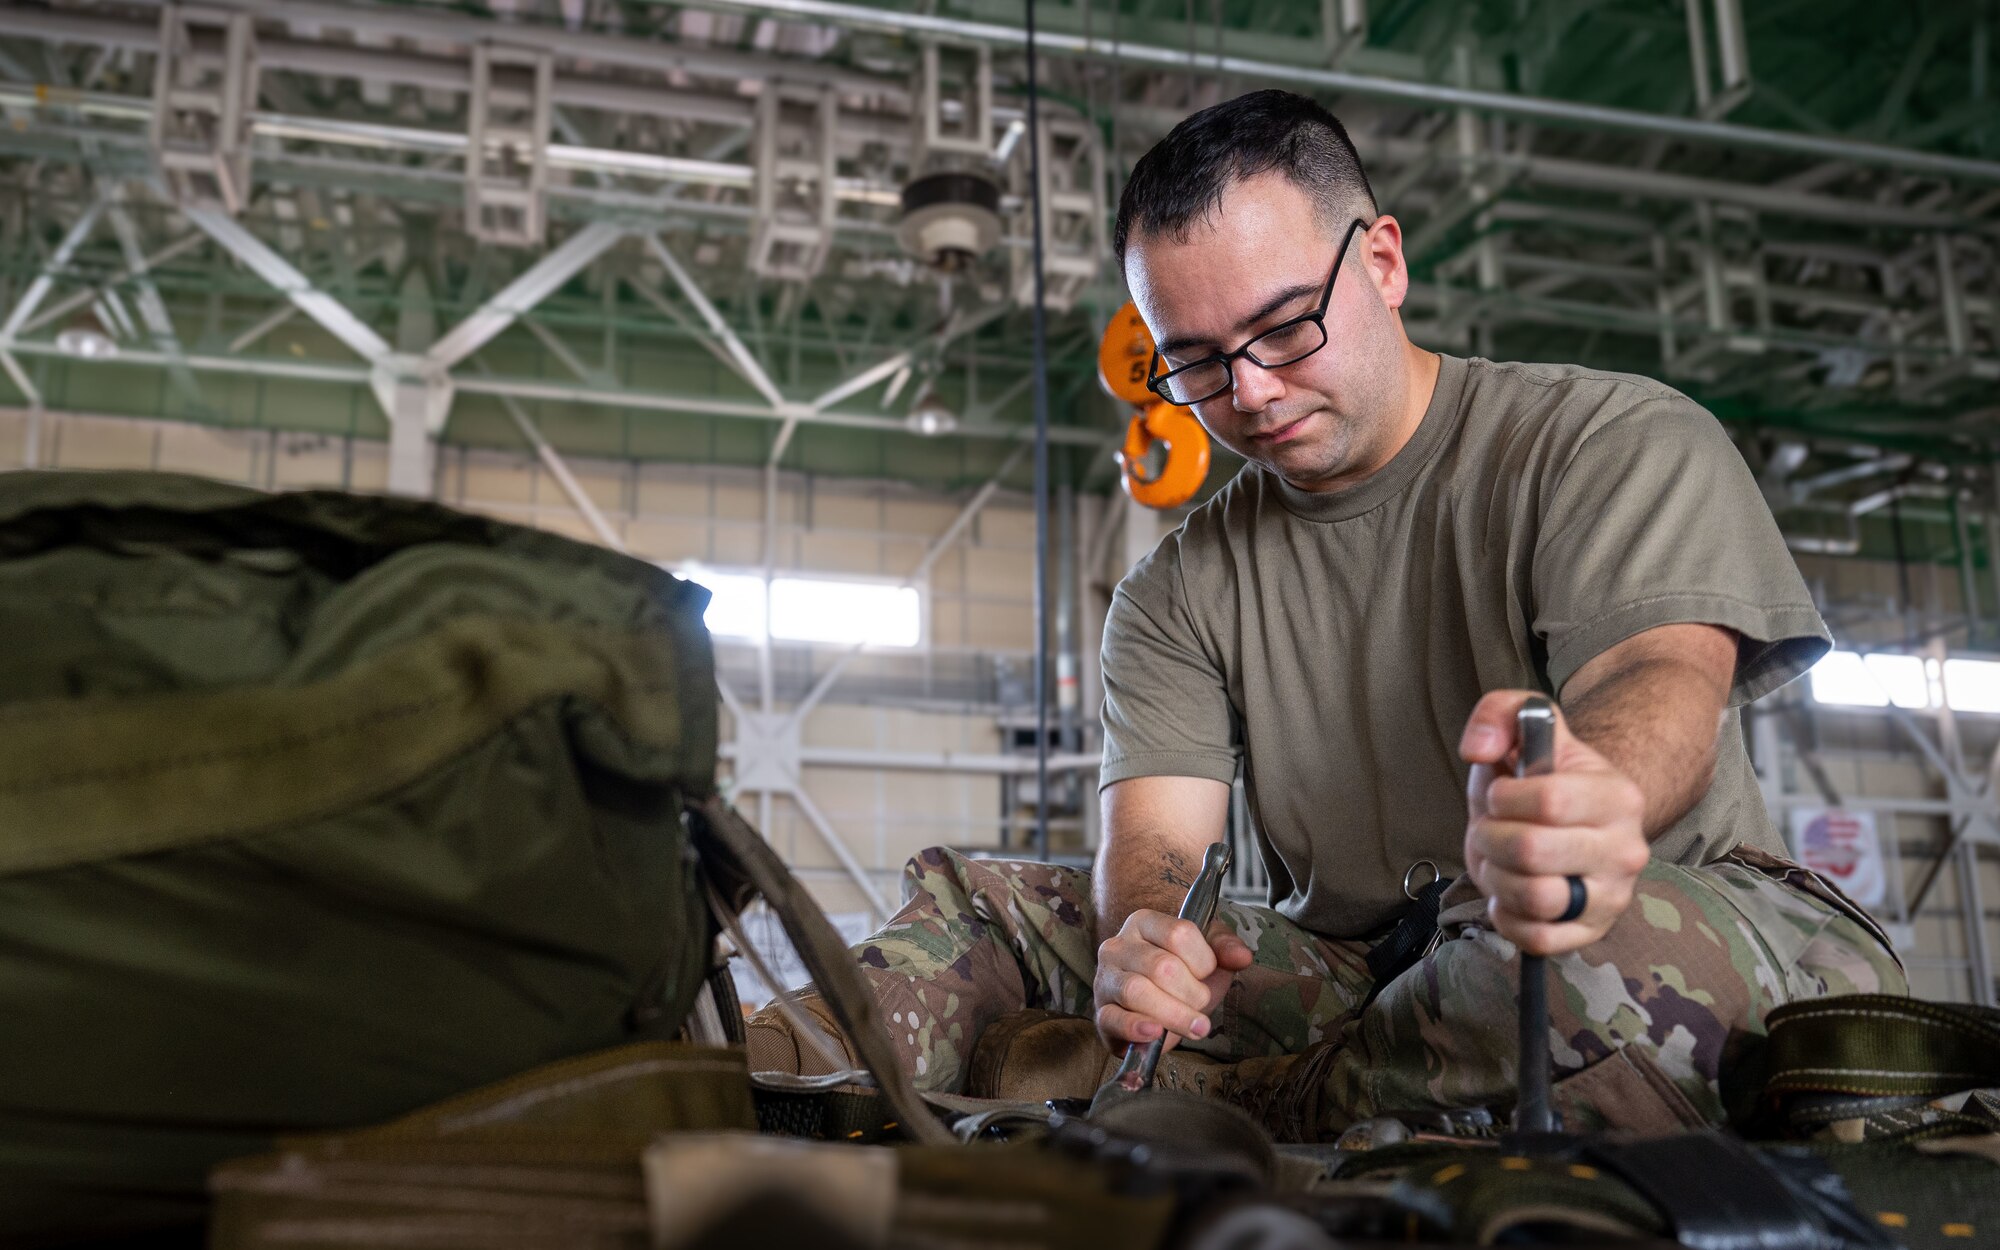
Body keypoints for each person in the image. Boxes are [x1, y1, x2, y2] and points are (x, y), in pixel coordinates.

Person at [746, 89, 1903, 1139]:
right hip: (1374, 971)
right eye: (1192, 363)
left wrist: (1582, 804)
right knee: (994, 908)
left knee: (1579, 961)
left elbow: (1658, 678)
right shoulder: (1174, 590)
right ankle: (753, 1076)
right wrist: (1150, 948)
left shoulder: (1607, 442)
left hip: (1653, 911)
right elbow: (1158, 851)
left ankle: (1217, 1105)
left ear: (1383, 262)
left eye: (1285, 324)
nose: (1247, 391)